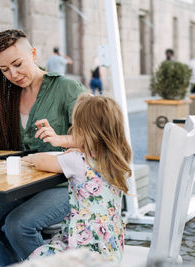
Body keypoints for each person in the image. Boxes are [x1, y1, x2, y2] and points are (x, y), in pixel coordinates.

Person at [0, 29, 86, 266]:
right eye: (4, 70)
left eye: (18, 64)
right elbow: (3, 138)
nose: (13, 74)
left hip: (66, 183)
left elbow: (94, 137)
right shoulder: (8, 96)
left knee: (18, 226)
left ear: (33, 54)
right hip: (24, 183)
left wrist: (60, 138)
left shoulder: (67, 89)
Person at [23, 94, 131, 262]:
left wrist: (30, 158)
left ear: (85, 132)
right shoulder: (118, 159)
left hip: (83, 247)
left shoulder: (78, 161)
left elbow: (43, 161)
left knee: (38, 258)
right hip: (109, 246)